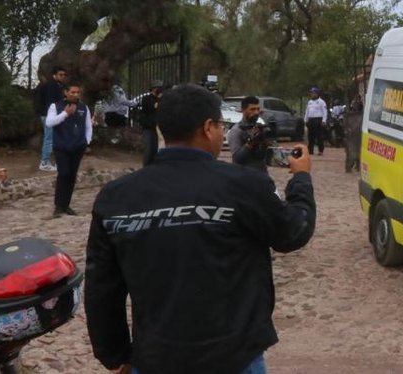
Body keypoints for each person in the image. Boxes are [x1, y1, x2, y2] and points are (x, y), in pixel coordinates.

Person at [85, 84, 316, 374]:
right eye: (221, 125)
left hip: (156, 357)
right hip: (234, 358)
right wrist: (301, 179)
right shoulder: (244, 186)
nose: (222, 132)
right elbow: (294, 231)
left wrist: (115, 355)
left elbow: (102, 289)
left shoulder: (115, 197)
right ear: (208, 128)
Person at [45, 82, 92, 217]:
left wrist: (87, 141)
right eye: (72, 92)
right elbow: (49, 123)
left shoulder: (84, 107)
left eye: (77, 92)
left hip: (78, 146)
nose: (75, 95)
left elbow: (88, 126)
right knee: (63, 173)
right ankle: (58, 205)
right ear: (66, 92)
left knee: (71, 175)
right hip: (61, 146)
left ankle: (66, 205)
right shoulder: (55, 106)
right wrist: (65, 114)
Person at [228, 96, 273, 173]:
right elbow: (237, 159)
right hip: (244, 174)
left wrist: (267, 143)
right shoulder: (237, 130)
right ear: (243, 110)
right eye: (252, 109)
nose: (256, 112)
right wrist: (250, 143)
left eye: (258, 109)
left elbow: (268, 157)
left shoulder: (260, 128)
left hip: (261, 173)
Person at [34, 66, 67, 171]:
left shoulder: (59, 86)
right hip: (49, 115)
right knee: (49, 138)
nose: (63, 77)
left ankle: (56, 161)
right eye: (60, 75)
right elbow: (51, 103)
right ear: (54, 75)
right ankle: (44, 162)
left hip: (53, 115)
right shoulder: (51, 86)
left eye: (64, 75)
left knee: (55, 138)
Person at [137, 81, 163, 166]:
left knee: (156, 150)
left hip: (157, 128)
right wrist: (159, 99)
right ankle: (147, 167)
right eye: (158, 88)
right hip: (148, 128)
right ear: (153, 89)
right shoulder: (147, 99)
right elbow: (153, 107)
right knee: (149, 150)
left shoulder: (159, 99)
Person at [305, 87, 327, 156]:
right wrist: (306, 120)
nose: (312, 94)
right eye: (311, 93)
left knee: (319, 136)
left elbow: (324, 112)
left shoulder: (321, 102)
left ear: (317, 94)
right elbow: (307, 111)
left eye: (313, 93)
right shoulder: (310, 102)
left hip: (318, 120)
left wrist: (324, 120)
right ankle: (310, 150)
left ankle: (320, 150)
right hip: (311, 120)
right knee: (310, 136)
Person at [344, 94, 364, 173]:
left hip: (359, 134)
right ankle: (349, 167)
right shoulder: (350, 115)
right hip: (351, 135)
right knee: (351, 152)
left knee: (359, 151)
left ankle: (358, 166)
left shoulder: (362, 114)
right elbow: (346, 125)